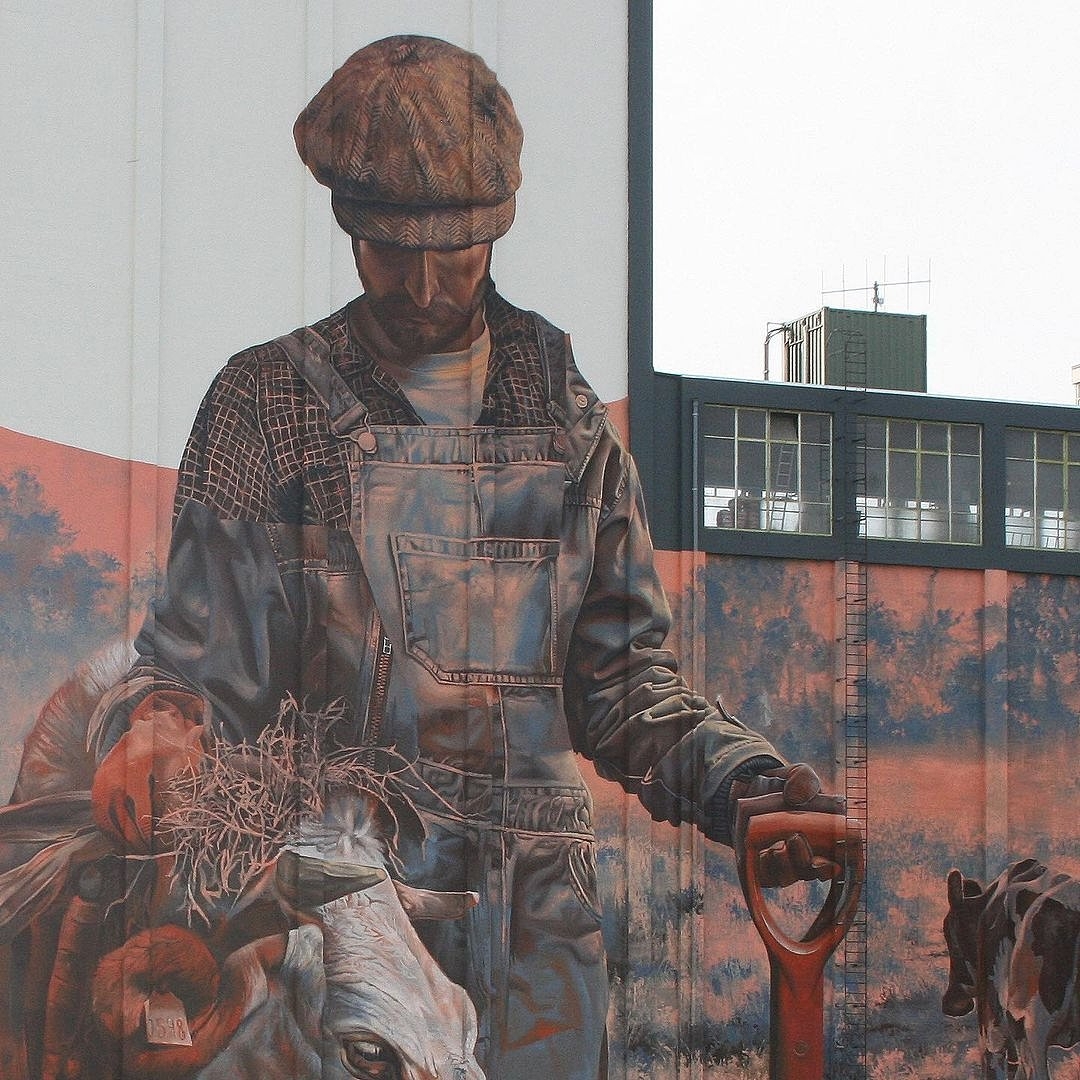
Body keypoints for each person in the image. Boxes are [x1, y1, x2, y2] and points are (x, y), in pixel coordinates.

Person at [89, 34, 837, 1079]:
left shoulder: (568, 420)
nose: (426, 283)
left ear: (497, 226)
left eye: (456, 250)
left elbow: (622, 685)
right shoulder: (267, 408)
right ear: (349, 227)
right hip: (345, 927)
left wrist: (741, 784)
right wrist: (160, 724)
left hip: (538, 943)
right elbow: (196, 670)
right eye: (393, 250)